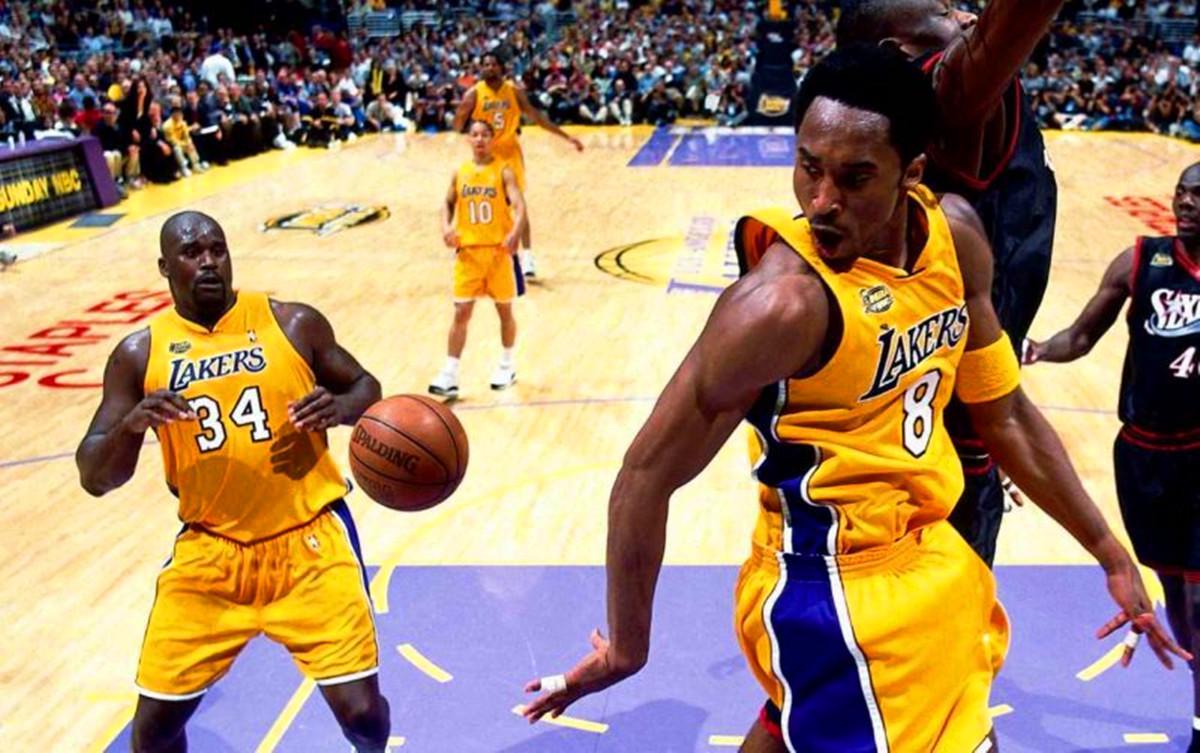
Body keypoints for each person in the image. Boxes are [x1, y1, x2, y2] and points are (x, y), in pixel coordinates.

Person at [520, 45, 1188, 753]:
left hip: (929, 553)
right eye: (809, 167)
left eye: (854, 177)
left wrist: (1108, 551)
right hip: (829, 588)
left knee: (799, 725)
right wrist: (628, 647)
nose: (821, 201)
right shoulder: (781, 307)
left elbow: (1005, 412)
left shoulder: (955, 238)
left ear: (912, 173)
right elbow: (645, 473)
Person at [75, 212, 391, 753]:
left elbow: (367, 388)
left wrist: (340, 408)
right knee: (152, 735)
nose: (208, 262)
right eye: (192, 252)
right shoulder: (139, 354)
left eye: (217, 249)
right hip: (211, 553)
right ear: (164, 267)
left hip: (309, 543)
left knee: (363, 716)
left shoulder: (291, 323)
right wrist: (132, 426)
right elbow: (94, 477)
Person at [836, 0, 1065, 566]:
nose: (966, 15)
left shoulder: (891, 130)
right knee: (947, 610)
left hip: (918, 421)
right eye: (943, 11)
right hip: (950, 450)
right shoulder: (939, 95)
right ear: (899, 50)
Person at [1024, 162, 1200, 753]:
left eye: (1199, 195)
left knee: (1199, 596)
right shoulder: (1139, 261)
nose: (1187, 203)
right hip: (1143, 455)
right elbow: (1080, 338)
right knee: (1176, 594)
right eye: (1181, 193)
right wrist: (1036, 350)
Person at [453, 51, 583, 279]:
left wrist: (567, 137)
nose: (489, 67)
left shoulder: (513, 92)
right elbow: (458, 123)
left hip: (510, 154)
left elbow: (538, 118)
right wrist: (470, 131)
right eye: (485, 64)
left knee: (518, 204)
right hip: (486, 155)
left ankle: (528, 257)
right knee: (484, 204)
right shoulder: (474, 94)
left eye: (493, 64)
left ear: (501, 68)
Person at [429, 120, 527, 399]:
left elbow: (520, 205)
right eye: (475, 135)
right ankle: (450, 373)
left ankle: (507, 365)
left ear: (492, 139)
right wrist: (445, 228)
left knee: (504, 311)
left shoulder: (504, 171)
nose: (480, 139)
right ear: (468, 139)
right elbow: (447, 203)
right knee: (461, 312)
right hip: (468, 253)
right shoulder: (460, 172)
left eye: (485, 135)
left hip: (498, 252)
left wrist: (515, 233)